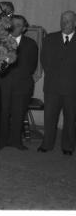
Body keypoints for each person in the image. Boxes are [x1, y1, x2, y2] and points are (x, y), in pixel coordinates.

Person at [38, 10, 76, 156]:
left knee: (71, 118)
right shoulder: (50, 38)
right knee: (49, 118)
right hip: (52, 87)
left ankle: (68, 146)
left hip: (72, 88)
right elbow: (44, 60)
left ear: (74, 22)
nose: (64, 23)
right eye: (62, 20)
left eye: (68, 20)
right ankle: (47, 144)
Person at [0, 15, 38, 150]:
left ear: (24, 28)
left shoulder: (31, 44)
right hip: (3, 83)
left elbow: (32, 66)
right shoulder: (0, 41)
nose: (15, 27)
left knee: (18, 113)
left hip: (22, 85)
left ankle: (16, 141)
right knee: (2, 113)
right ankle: (2, 141)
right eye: (13, 24)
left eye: (19, 25)